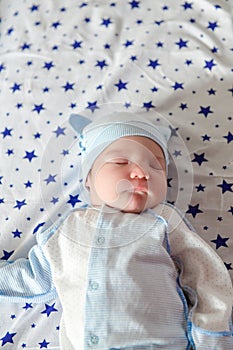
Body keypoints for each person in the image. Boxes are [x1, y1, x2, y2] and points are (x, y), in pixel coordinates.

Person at [0, 112, 232, 350]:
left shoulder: (162, 222)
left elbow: (205, 275)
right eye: (121, 162)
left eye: (156, 166)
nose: (142, 173)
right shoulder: (69, 230)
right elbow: (35, 276)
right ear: (89, 178)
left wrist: (212, 336)